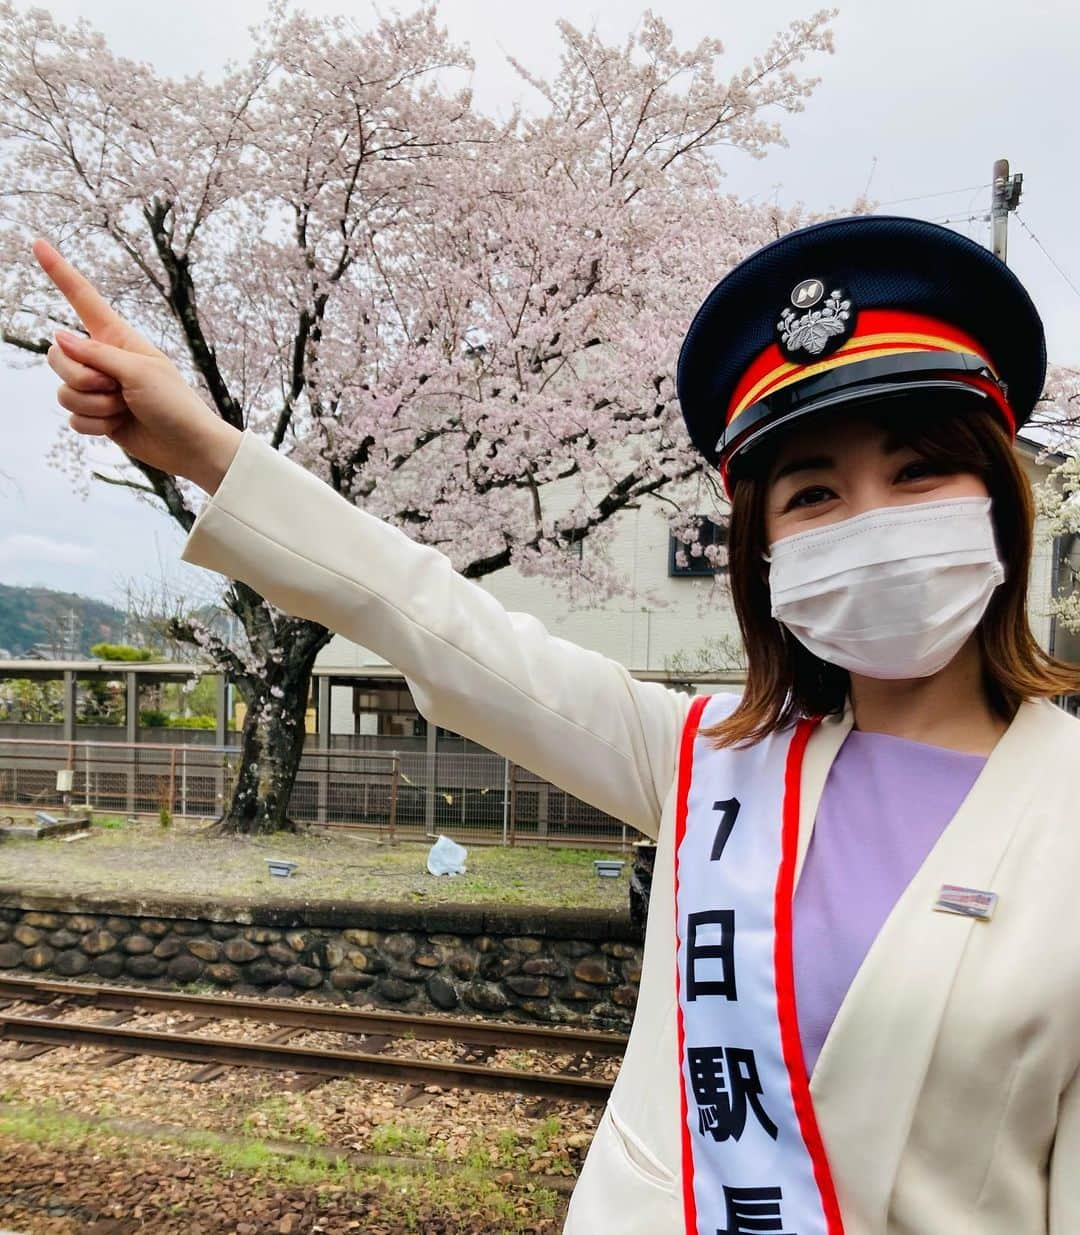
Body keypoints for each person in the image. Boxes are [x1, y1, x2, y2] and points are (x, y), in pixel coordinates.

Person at [31, 214, 1080, 1235]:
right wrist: (211, 452)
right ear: (764, 552)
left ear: (999, 496)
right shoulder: (706, 760)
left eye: (915, 472)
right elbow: (437, 618)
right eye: (813, 493)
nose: (871, 524)